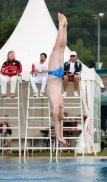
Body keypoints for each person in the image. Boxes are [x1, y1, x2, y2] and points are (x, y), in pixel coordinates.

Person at [47, 13, 67, 144]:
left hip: (58, 75)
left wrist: (61, 136)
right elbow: (57, 120)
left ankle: (64, 27)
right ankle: (61, 25)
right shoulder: (55, 104)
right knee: (57, 48)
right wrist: (59, 137)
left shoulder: (60, 103)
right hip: (54, 74)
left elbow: (60, 120)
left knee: (62, 48)